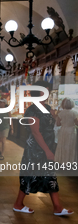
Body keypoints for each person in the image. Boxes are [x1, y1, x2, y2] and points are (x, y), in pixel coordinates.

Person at [13, 81, 74, 216]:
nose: (45, 94)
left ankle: (57, 207)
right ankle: (18, 204)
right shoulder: (32, 110)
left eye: (47, 90)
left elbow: (54, 124)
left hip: (47, 147)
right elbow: (36, 132)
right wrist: (47, 150)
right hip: (35, 149)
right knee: (30, 175)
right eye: (43, 90)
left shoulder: (48, 108)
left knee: (50, 176)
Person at [54, 98, 78, 163]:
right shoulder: (74, 113)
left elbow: (58, 124)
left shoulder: (61, 113)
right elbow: (77, 123)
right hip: (72, 131)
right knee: (70, 146)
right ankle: (69, 161)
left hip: (63, 130)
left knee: (62, 146)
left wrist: (64, 123)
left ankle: (62, 161)